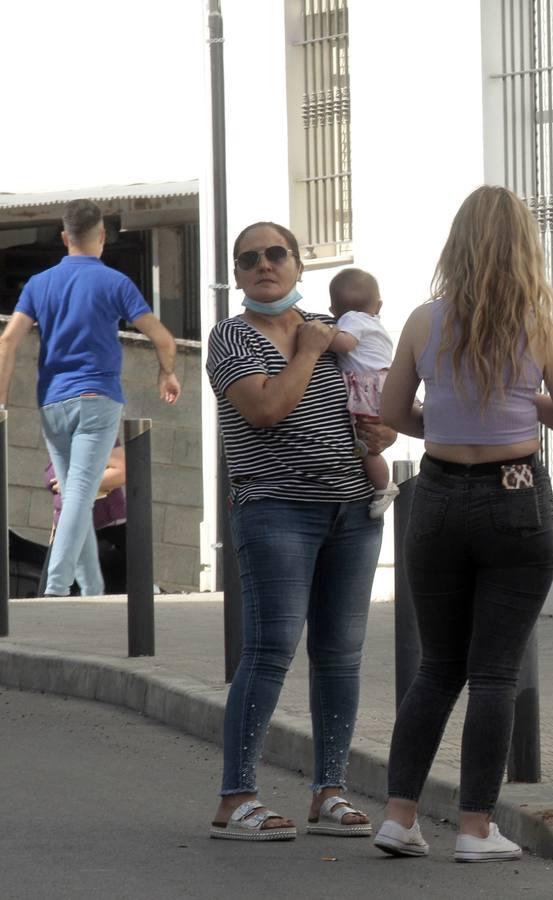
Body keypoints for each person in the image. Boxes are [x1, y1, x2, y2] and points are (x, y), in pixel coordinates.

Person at [374, 186, 553, 862]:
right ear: (526, 248)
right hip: (514, 495)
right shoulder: (536, 324)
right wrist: (531, 404)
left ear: (456, 245)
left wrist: (442, 423)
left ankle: (399, 817)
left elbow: (390, 412)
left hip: (437, 495)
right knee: (493, 672)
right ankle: (474, 828)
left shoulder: (421, 321)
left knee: (437, 666)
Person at [206, 221, 393, 841]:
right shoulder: (231, 337)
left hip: (351, 509)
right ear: (237, 275)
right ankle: (237, 798)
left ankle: (329, 792)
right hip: (275, 510)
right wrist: (311, 351)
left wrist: (383, 432)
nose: (264, 264)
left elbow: (374, 399)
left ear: (297, 265)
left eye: (275, 253)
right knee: (269, 650)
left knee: (340, 656)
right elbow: (264, 408)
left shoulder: (334, 329)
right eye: (249, 258)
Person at [0, 199, 179, 598]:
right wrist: (166, 373)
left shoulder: (39, 284)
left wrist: (2, 402)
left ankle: (93, 590)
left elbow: (7, 342)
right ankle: (57, 588)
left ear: (65, 237)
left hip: (52, 401)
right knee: (80, 493)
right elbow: (163, 338)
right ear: (102, 237)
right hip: (98, 397)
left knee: (72, 492)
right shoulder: (115, 282)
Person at [328, 267, 400, 517]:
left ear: (333, 311)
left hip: (367, 390)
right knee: (369, 446)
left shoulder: (350, 320)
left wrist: (319, 336)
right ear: (378, 305)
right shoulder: (374, 324)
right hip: (383, 386)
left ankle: (383, 488)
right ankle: (381, 486)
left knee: (367, 446)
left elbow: (345, 343)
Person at [43, 444, 128, 595]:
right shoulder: (59, 437)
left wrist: (72, 484)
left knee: (95, 608)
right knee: (52, 604)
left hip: (104, 534)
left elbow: (121, 471)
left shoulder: (92, 428)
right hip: (67, 533)